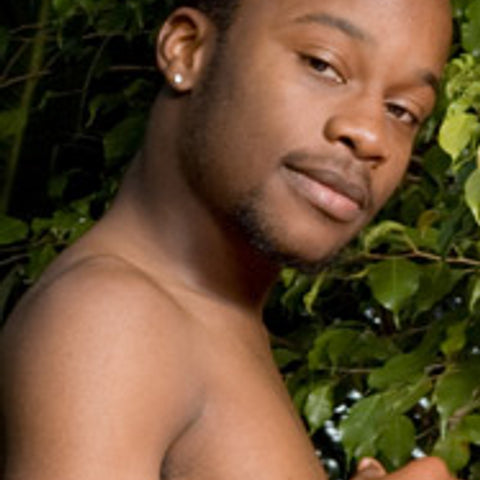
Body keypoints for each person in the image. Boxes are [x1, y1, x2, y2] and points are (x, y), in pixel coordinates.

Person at [0, 0, 455, 479]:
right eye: (322, 65)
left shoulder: (206, 322)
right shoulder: (114, 318)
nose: (370, 135)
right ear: (187, 49)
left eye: (403, 111)